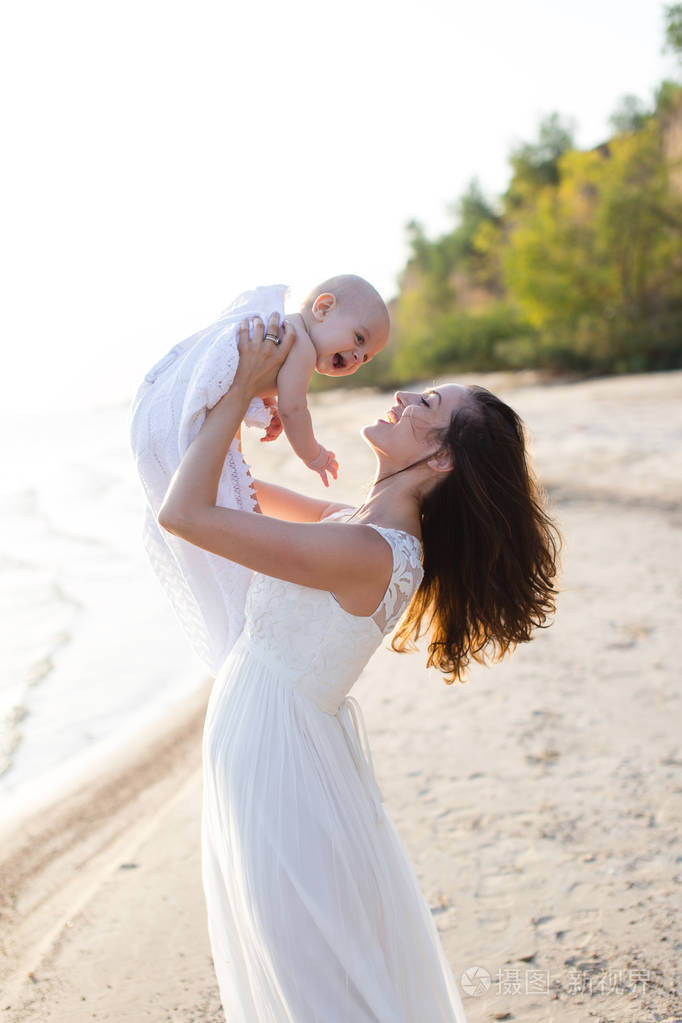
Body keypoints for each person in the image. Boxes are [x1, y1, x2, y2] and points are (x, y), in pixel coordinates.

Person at [157, 312, 560, 1021]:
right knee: (302, 961)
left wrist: (237, 393)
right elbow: (233, 489)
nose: (405, 396)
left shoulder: (372, 551)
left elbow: (185, 514)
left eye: (428, 407)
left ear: (440, 461)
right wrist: (266, 398)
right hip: (270, 740)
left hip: (279, 761)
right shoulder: (358, 522)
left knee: (310, 975)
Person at [130, 276, 389, 676]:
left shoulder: (285, 332)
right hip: (173, 425)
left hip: (157, 416)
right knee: (211, 505)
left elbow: (255, 377)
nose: (356, 357)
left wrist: (261, 401)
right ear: (322, 308)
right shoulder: (301, 347)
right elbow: (295, 410)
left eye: (365, 356)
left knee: (208, 497)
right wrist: (313, 454)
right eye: (358, 338)